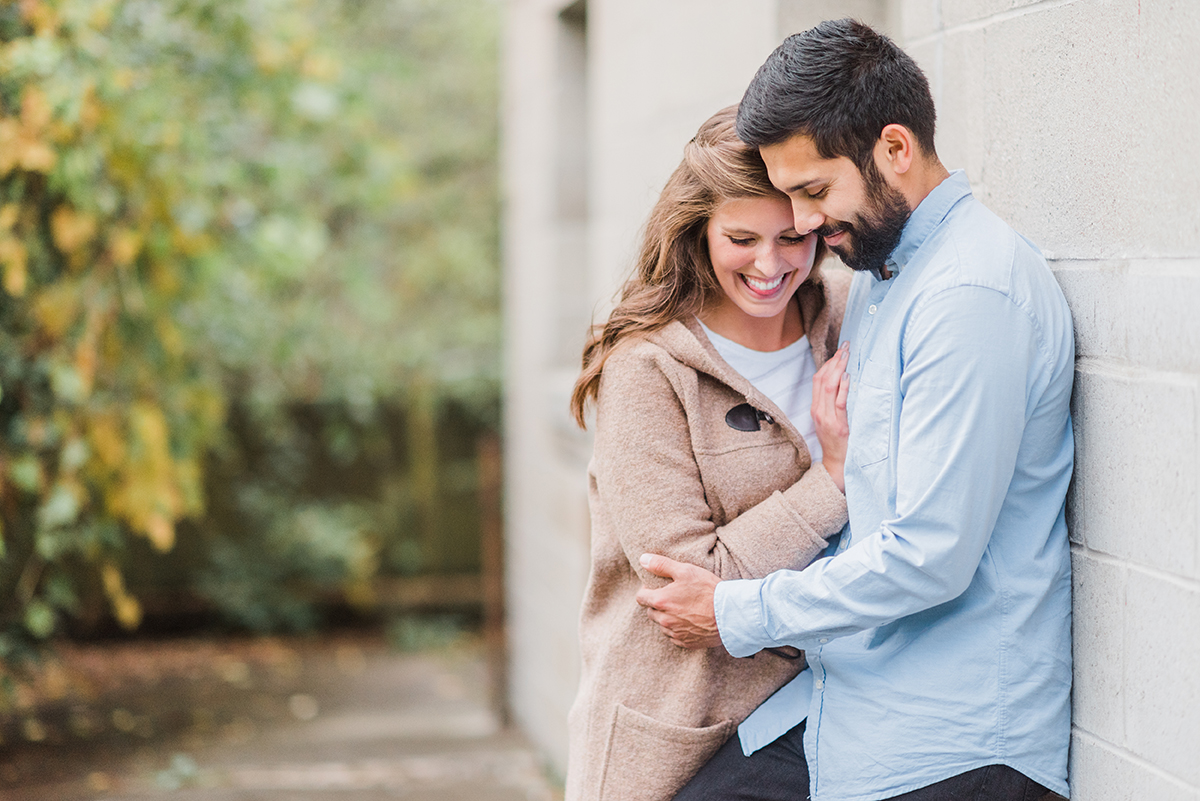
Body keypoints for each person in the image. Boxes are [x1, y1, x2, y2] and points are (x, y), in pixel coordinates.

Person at [638, 20, 1074, 801]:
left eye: (814, 191)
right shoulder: (882, 273)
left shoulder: (969, 294)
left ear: (895, 149)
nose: (803, 224)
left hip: (954, 753)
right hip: (856, 717)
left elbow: (928, 555)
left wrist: (738, 609)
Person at [563, 105, 853, 801]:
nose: (769, 264)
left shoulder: (848, 318)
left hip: (828, 720)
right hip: (680, 731)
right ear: (700, 230)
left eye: (791, 238)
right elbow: (685, 581)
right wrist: (833, 480)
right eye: (741, 238)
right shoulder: (648, 368)